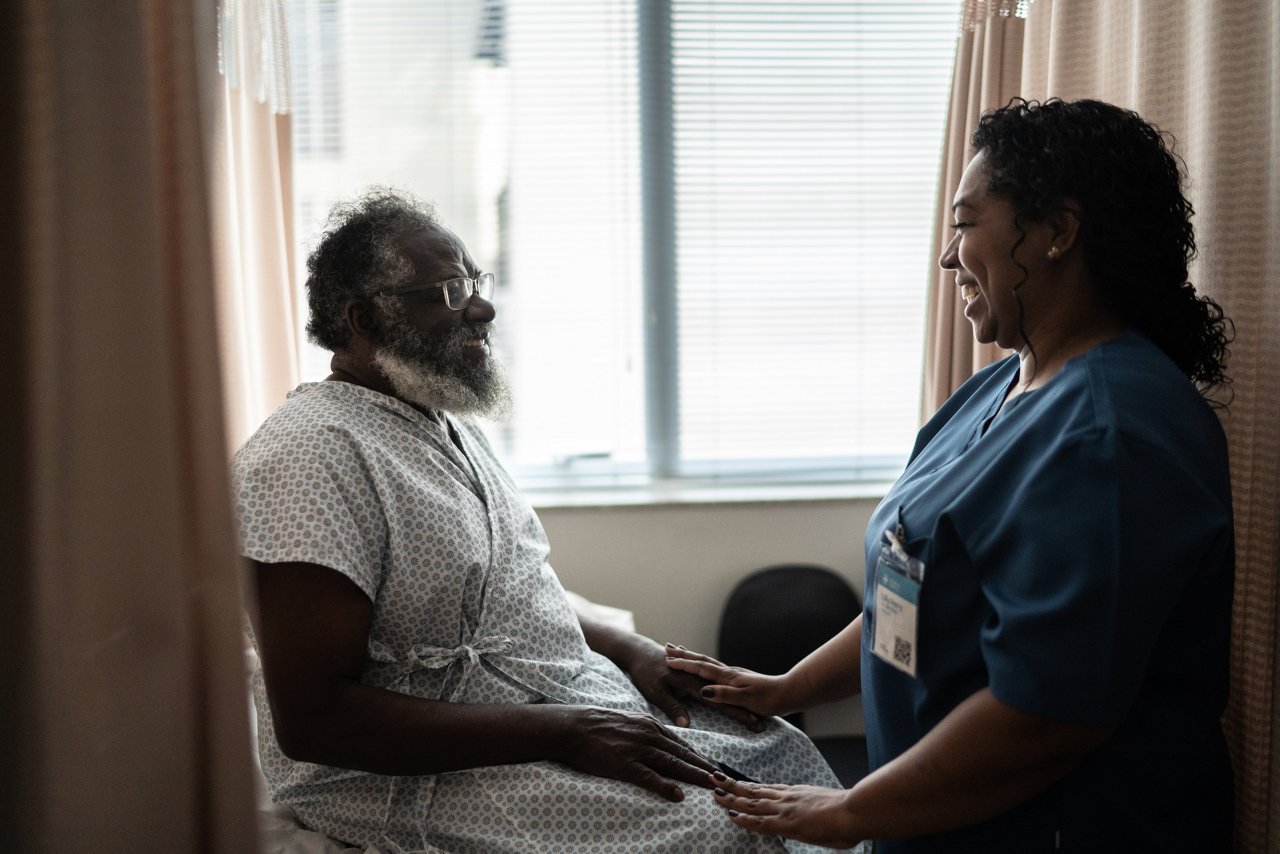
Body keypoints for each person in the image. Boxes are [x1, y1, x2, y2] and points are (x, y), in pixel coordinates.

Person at [667, 98, 1235, 853]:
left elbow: (1046, 718)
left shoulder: (1111, 434)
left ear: (1059, 232)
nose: (947, 256)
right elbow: (916, 585)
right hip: (929, 817)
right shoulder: (1001, 388)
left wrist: (853, 811)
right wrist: (788, 688)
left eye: (967, 224)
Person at [233, 189, 844, 853]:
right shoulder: (306, 459)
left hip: (553, 704)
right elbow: (316, 720)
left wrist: (627, 649)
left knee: (779, 755)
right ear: (366, 320)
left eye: (474, 281)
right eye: (447, 290)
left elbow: (498, 599)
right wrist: (564, 731)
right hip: (416, 767)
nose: (482, 307)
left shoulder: (438, 425)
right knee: (719, 829)